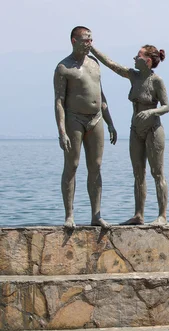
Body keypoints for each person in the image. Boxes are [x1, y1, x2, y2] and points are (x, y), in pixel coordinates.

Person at [91, 44, 169, 225]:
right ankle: (138, 214)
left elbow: (166, 106)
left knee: (157, 173)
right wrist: (93, 50)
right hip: (135, 130)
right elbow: (111, 64)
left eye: (138, 55)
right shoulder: (133, 76)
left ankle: (162, 215)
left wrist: (151, 112)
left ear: (147, 61)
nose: (134, 58)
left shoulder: (156, 81)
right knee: (138, 173)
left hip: (153, 129)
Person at [54, 26, 117, 229]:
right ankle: (69, 215)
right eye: (85, 40)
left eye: (91, 40)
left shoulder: (95, 64)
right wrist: (62, 131)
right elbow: (59, 101)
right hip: (74, 119)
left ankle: (96, 215)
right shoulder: (64, 67)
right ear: (74, 41)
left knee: (96, 166)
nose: (89, 43)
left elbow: (101, 95)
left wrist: (110, 122)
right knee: (72, 166)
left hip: (96, 118)